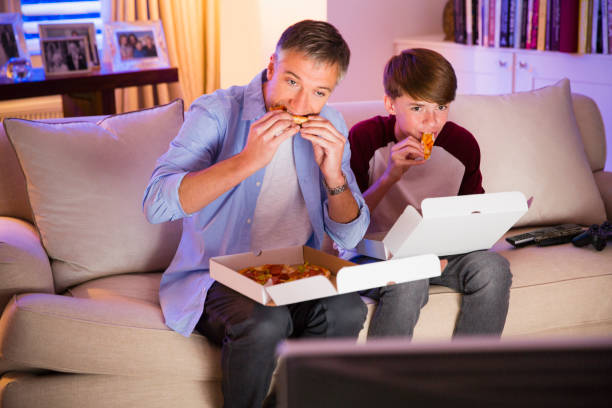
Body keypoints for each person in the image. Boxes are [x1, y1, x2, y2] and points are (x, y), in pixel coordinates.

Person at [143, 20, 369, 407]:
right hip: (217, 275)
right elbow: (156, 204)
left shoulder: (330, 123)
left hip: (297, 273)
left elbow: (349, 236)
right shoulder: (217, 111)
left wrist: (333, 174)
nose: (300, 105)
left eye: (319, 92)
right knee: (266, 319)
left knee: (347, 309)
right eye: (291, 82)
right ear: (271, 68)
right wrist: (247, 161)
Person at [347, 48, 512, 339]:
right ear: (390, 104)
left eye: (441, 107)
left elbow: (471, 215)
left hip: (441, 255)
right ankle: (379, 382)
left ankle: (469, 379)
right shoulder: (364, 138)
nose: (431, 122)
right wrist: (390, 177)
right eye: (417, 108)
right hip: (375, 256)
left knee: (494, 267)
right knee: (410, 278)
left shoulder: (462, 145)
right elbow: (346, 224)